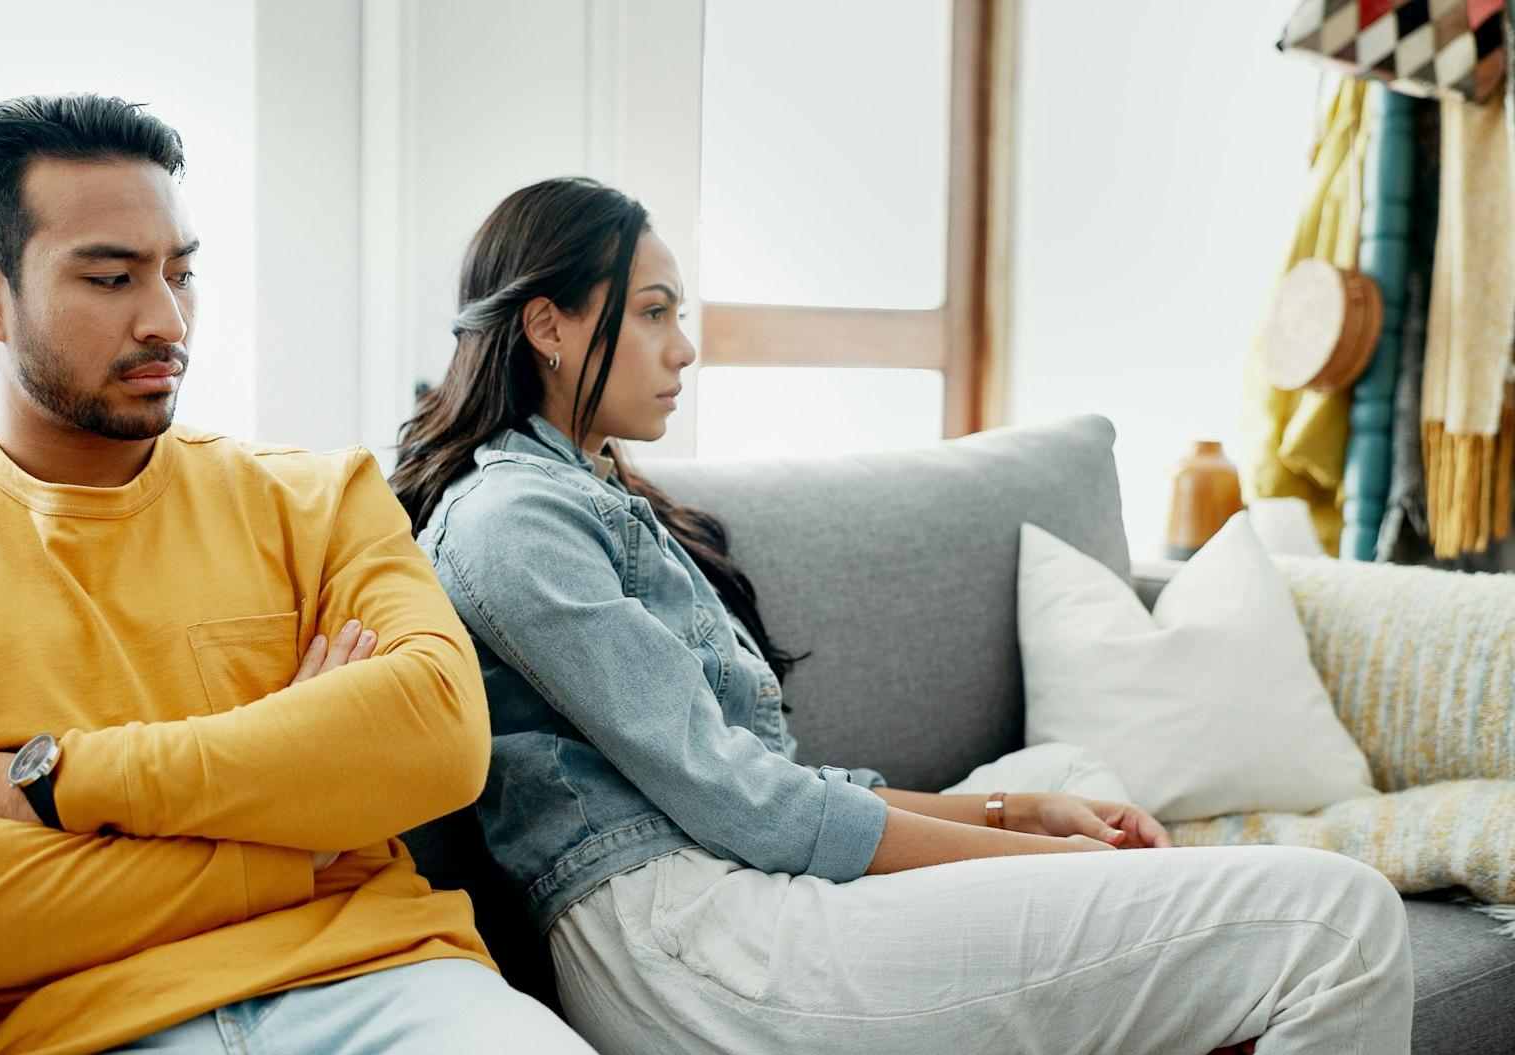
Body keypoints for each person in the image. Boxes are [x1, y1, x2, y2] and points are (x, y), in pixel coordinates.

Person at [392, 175, 1414, 1054]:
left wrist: (1019, 815)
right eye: (653, 312)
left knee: (1059, 775)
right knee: (1341, 917)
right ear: (547, 326)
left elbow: (772, 789)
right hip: (691, 946)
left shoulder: (594, 493)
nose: (684, 347)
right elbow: (756, 807)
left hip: (726, 888)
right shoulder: (514, 522)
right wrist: (1049, 863)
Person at [0, 95, 593, 1055]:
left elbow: (439, 736)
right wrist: (289, 838)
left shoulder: (320, 498)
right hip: (74, 1028)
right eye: (111, 278)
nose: (166, 319)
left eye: (181, 273)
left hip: (389, 985)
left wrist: (56, 781)